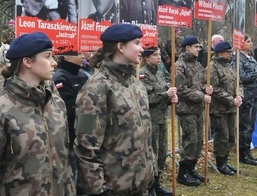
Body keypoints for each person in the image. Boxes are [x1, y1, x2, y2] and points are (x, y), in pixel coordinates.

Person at [0, 32, 75, 194]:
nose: (54, 63)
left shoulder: (55, 103)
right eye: (47, 56)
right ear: (27, 62)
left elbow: (64, 163)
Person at [74, 24, 156, 195]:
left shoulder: (136, 85)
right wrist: (99, 190)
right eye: (137, 43)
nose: (142, 48)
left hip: (141, 185)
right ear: (120, 47)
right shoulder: (97, 88)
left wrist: (151, 171)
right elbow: (86, 149)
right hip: (114, 188)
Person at [174, 36, 213, 186]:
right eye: (196, 47)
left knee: (198, 140)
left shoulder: (197, 65)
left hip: (198, 109)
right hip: (186, 109)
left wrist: (206, 88)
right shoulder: (179, 65)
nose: (198, 49)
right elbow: (181, 89)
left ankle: (191, 169)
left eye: (199, 47)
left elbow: (202, 82)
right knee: (190, 140)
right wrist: (202, 96)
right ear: (187, 48)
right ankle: (183, 172)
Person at [139, 46, 177, 196]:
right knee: (152, 153)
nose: (159, 57)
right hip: (151, 119)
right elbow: (146, 99)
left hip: (162, 118)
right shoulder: (143, 75)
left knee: (162, 151)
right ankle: (151, 186)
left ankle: (158, 182)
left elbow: (163, 94)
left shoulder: (160, 73)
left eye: (160, 54)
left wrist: (171, 98)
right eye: (155, 55)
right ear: (146, 58)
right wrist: (165, 95)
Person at [52, 52, 89, 194]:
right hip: (71, 137)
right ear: (66, 56)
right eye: (78, 53)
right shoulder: (60, 78)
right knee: (72, 176)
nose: (83, 56)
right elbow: (66, 109)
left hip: (84, 137)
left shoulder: (84, 75)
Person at [207, 41, 243, 176]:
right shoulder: (213, 67)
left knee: (231, 136)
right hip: (219, 108)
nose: (231, 54)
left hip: (231, 108)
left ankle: (226, 160)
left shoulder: (230, 66)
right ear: (220, 53)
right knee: (222, 136)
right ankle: (220, 162)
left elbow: (239, 83)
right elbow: (214, 89)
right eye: (228, 52)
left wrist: (240, 96)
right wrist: (231, 99)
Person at [232, 34, 257, 165]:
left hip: (254, 94)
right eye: (248, 41)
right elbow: (241, 77)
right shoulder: (238, 59)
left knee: (251, 125)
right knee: (245, 126)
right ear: (241, 44)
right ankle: (242, 153)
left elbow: (254, 79)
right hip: (245, 96)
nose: (251, 43)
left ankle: (248, 151)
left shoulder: (251, 58)